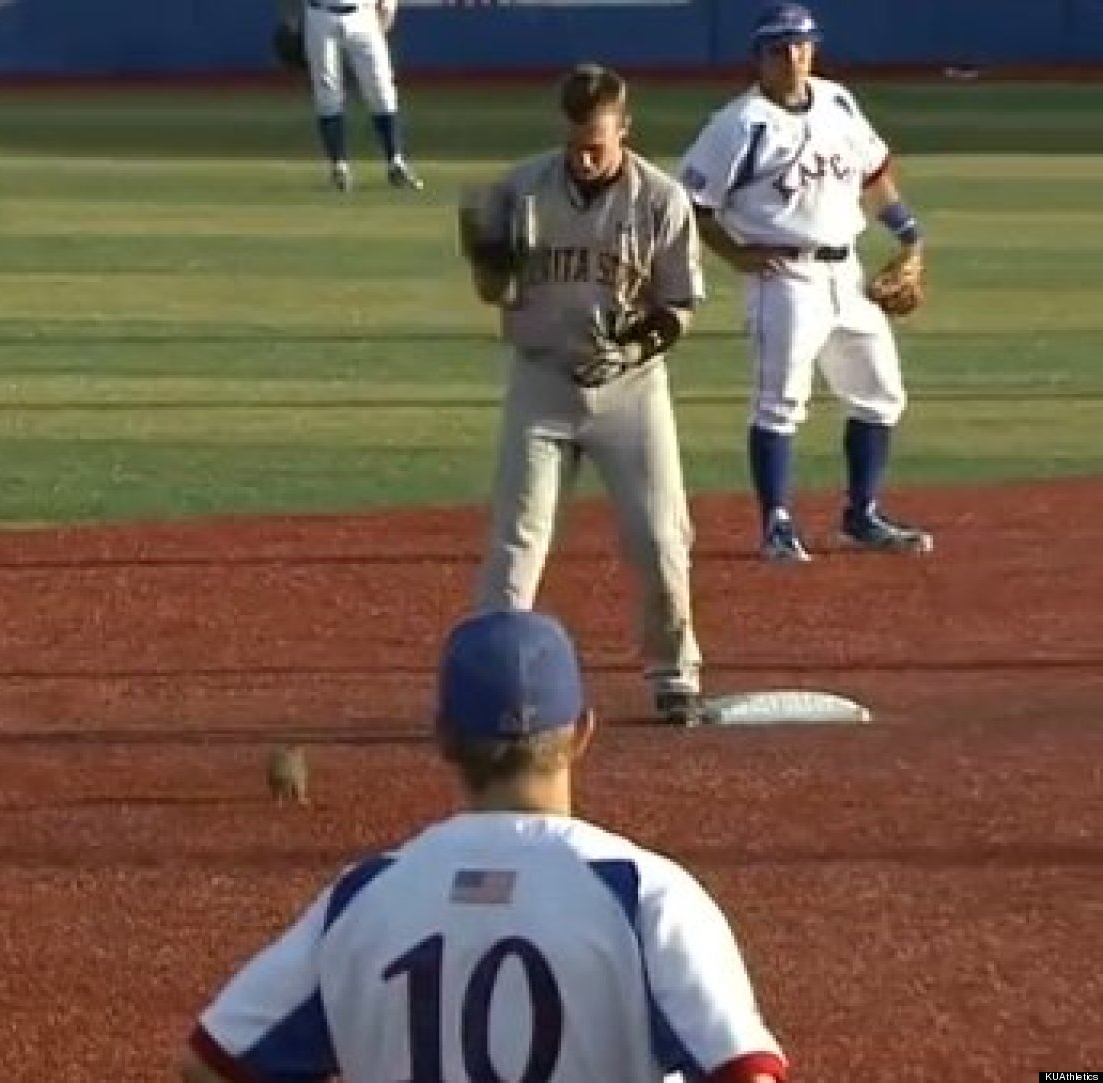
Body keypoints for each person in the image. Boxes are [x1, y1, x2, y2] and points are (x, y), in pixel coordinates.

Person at [180, 608, 789, 1083]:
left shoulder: (364, 898)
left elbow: (215, 1063)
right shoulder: (642, 894)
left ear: (443, 737)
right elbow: (743, 1069)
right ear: (582, 734)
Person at [459, 63, 706, 726]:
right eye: (575, 143)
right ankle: (490, 684)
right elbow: (495, 295)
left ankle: (673, 671)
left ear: (624, 128)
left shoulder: (661, 200)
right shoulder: (522, 190)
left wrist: (630, 348)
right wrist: (487, 264)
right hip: (542, 379)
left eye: (597, 143)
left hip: (630, 390)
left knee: (660, 535)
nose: (585, 156)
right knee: (518, 538)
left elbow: (679, 305)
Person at [676, 2, 933, 562]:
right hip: (784, 277)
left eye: (801, 45)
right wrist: (736, 255)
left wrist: (911, 236)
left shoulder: (837, 101)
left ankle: (861, 515)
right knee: (779, 403)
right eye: (779, 48)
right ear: (759, 58)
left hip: (848, 273)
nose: (792, 57)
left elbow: (874, 175)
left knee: (881, 394)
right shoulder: (738, 124)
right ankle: (776, 524)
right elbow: (691, 204)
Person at [296, 0, 424, 192]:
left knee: (381, 89)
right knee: (327, 92)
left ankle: (396, 162)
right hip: (320, 12)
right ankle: (339, 166)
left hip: (363, 13)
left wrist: (389, 4)